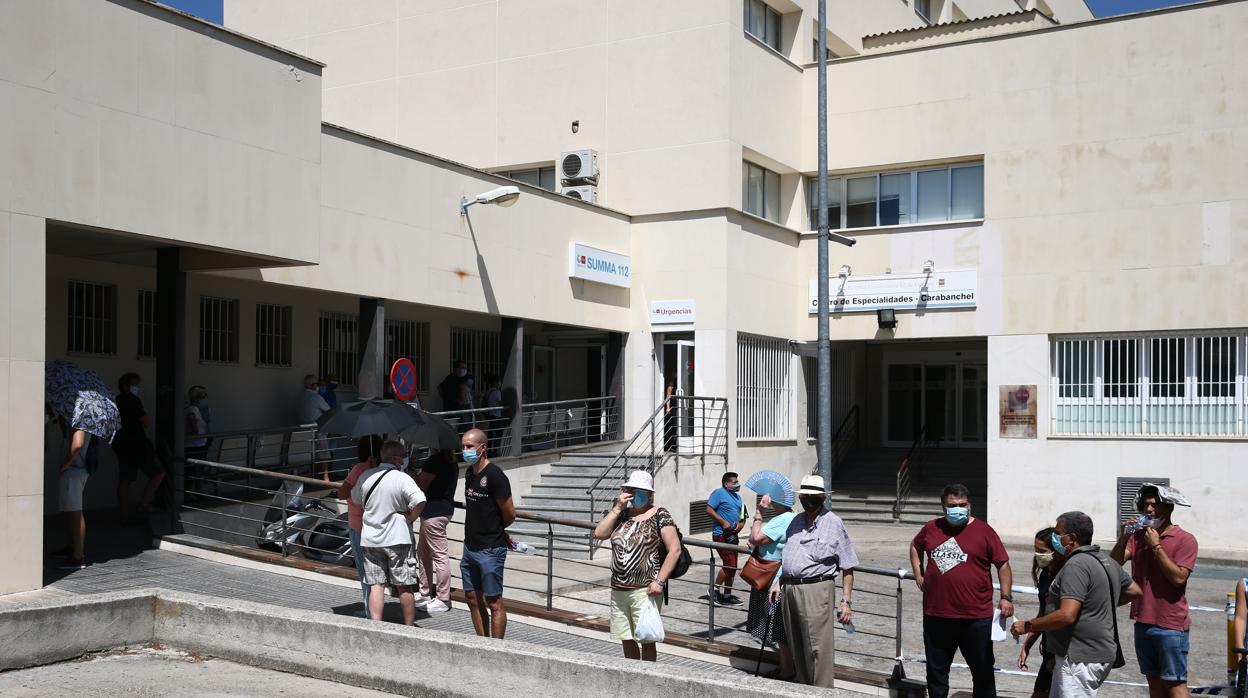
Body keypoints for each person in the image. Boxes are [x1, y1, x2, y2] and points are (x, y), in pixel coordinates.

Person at [1011, 511, 1142, 697]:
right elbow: (1135, 591)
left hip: (1080, 659)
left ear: (1071, 538)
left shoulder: (1076, 564)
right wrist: (1095, 604)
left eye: (1058, 534)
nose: (1054, 538)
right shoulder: (1106, 560)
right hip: (1086, 655)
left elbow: (1067, 614)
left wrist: (1028, 625)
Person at [910, 483, 1014, 698]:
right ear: (943, 506)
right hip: (936, 616)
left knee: (982, 673)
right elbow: (915, 546)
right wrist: (918, 574)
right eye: (952, 505)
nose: (958, 509)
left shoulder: (984, 531)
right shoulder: (931, 528)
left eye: (962, 505)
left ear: (969, 505)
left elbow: (1002, 564)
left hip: (976, 618)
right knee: (936, 674)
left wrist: (1005, 597)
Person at [1110, 483, 1198, 698]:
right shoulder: (1138, 537)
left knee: (1175, 684)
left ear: (1169, 508)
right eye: (1146, 505)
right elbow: (1113, 565)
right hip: (1143, 621)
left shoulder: (1185, 539)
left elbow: (1178, 578)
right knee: (1154, 683)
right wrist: (1123, 537)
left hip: (1170, 625)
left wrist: (1156, 546)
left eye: (1155, 505)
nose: (1149, 510)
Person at [591, 470, 681, 662]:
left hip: (645, 589)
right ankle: (632, 674)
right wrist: (617, 508)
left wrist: (659, 581)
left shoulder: (660, 514)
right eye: (632, 489)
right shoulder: (622, 514)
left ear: (649, 494)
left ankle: (648, 677)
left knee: (646, 637)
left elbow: (674, 550)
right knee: (626, 637)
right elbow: (599, 533)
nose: (635, 494)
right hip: (619, 588)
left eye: (640, 490)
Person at [779, 475, 857, 688]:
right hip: (789, 588)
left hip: (816, 588)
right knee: (797, 645)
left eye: (813, 496)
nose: (808, 500)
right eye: (805, 496)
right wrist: (777, 583)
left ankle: (822, 692)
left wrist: (846, 601)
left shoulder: (833, 523)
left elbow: (848, 565)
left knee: (816, 649)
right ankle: (804, 688)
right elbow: (785, 556)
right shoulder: (795, 521)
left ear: (823, 498)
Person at [350, 440, 426, 625]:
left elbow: (355, 498)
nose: (406, 458)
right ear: (395, 458)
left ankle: (376, 625)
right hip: (397, 537)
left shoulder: (366, 475)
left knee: (376, 584)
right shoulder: (402, 478)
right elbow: (420, 500)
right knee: (404, 585)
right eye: (404, 455)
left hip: (371, 539)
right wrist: (410, 517)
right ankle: (409, 627)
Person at [460, 428, 515, 638]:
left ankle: (497, 649)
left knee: (494, 601)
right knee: (472, 597)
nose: (465, 451)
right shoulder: (469, 473)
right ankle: (482, 643)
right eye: (463, 446)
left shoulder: (495, 476)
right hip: (470, 547)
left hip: (490, 549)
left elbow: (509, 514)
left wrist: (497, 531)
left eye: (469, 447)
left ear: (483, 448)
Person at [747, 491, 798, 679]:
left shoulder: (783, 519)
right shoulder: (791, 517)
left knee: (778, 627)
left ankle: (787, 671)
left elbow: (756, 538)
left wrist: (759, 513)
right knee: (779, 626)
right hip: (778, 577)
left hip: (772, 578)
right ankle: (785, 667)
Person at [337, 434, 385, 617]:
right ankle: (375, 609)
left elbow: (342, 493)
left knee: (365, 571)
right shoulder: (386, 469)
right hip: (381, 526)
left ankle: (369, 610)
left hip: (359, 525)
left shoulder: (359, 468)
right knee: (378, 572)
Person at [112, 372, 164, 519]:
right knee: (158, 473)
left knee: (125, 479)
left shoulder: (115, 400)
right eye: (134, 384)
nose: (137, 387)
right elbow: (145, 422)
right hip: (138, 444)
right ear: (125, 386)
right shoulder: (134, 400)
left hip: (121, 444)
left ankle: (124, 514)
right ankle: (144, 504)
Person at [414, 447, 458, 613]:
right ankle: (425, 592)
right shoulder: (451, 462)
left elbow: (420, 486)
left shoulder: (434, 461)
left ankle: (443, 598)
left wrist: (412, 475)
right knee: (424, 552)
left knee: (439, 556)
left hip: (433, 513)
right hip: (441, 511)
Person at [1020, 527, 1062, 698]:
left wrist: (1056, 657)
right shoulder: (1045, 574)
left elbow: (1064, 617)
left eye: (1042, 551)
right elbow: (1043, 616)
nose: (1038, 555)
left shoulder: (1064, 575)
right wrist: (1027, 646)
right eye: (1036, 550)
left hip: (1061, 651)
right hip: (1049, 648)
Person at [54, 416, 94, 569]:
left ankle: (78, 556)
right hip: (75, 471)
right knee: (70, 511)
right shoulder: (76, 421)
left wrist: (66, 464)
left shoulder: (81, 420)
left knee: (75, 512)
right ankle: (72, 548)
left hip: (74, 471)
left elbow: (77, 445)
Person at [706, 471, 748, 605]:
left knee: (733, 566)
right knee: (729, 564)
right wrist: (723, 522)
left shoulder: (738, 498)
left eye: (737, 482)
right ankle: (714, 590)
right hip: (721, 534)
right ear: (726, 484)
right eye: (734, 482)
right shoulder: (719, 493)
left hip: (733, 536)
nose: (737, 484)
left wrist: (741, 525)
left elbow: (743, 515)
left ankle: (727, 596)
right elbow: (709, 510)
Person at [299, 375, 333, 480]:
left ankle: (312, 474)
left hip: (302, 432)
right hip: (316, 430)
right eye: (317, 384)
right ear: (311, 385)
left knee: (310, 455)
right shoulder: (316, 397)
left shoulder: (300, 397)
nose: (318, 386)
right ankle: (325, 476)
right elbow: (329, 410)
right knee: (324, 452)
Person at [183, 385, 210, 460]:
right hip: (195, 445)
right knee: (195, 467)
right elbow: (191, 417)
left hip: (197, 444)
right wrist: (195, 432)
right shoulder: (193, 409)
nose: (206, 398)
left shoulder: (197, 409)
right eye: (203, 396)